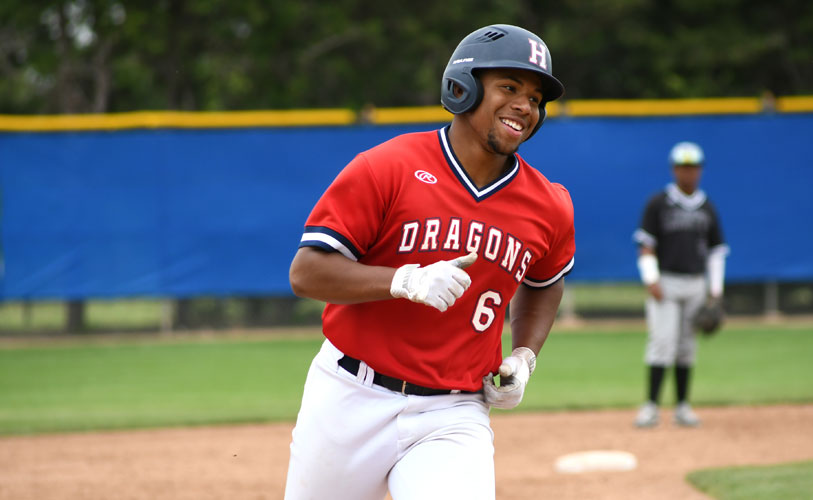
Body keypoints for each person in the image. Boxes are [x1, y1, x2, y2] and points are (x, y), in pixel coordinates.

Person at [283, 24, 575, 500]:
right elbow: (307, 271)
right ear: (463, 87)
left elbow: (545, 281)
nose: (526, 105)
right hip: (348, 397)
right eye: (509, 87)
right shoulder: (388, 166)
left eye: (536, 97)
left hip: (453, 412)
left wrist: (524, 354)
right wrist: (402, 280)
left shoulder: (550, 204)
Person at [632, 141, 728, 428]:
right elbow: (646, 246)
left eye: (693, 167)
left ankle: (683, 407)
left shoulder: (707, 207)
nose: (688, 173)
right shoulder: (659, 203)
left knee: (687, 347)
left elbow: (716, 252)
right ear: (674, 169)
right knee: (662, 342)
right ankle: (651, 406)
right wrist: (651, 279)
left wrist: (715, 292)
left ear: (700, 170)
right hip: (667, 282)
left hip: (696, 283)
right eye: (683, 167)